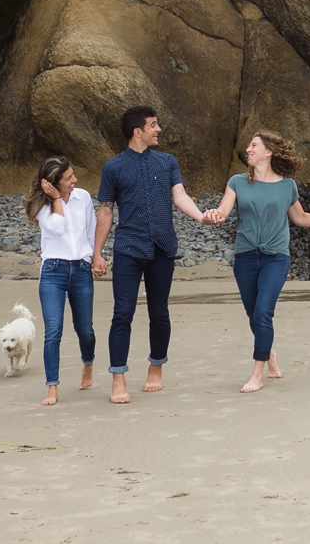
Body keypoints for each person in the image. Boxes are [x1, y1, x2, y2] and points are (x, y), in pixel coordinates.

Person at [203, 131, 310, 392]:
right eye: (248, 145)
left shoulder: (287, 185)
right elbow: (222, 211)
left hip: (276, 257)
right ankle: (270, 353)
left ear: (268, 152)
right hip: (244, 257)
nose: (248, 149)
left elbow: (300, 218)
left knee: (263, 311)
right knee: (252, 314)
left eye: (253, 145)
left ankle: (257, 374)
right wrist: (214, 214)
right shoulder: (236, 182)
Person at [94, 105, 209, 404]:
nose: (158, 129)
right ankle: (118, 378)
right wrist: (97, 253)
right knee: (123, 313)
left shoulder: (167, 161)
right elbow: (106, 210)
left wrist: (200, 217)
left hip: (162, 247)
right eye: (154, 125)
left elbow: (179, 194)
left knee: (159, 312)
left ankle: (156, 366)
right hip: (128, 248)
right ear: (138, 131)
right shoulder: (114, 167)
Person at [26, 155, 96, 406]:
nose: (75, 180)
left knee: (85, 329)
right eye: (68, 178)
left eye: (73, 174)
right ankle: (52, 387)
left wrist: (95, 257)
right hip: (53, 271)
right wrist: (56, 199)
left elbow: (91, 230)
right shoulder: (41, 205)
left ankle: (88, 362)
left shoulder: (83, 197)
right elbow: (56, 227)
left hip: (81, 269)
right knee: (53, 332)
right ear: (53, 183)